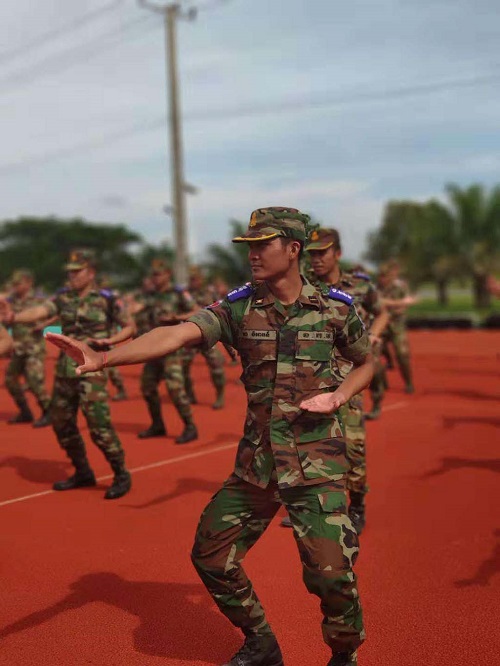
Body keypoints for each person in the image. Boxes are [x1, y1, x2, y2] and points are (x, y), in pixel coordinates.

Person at [46, 207, 374, 666]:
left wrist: (339, 396)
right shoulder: (238, 307)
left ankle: (343, 655)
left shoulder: (336, 308)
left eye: (263, 245)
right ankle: (261, 642)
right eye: (249, 246)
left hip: (315, 463)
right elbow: (176, 334)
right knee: (212, 555)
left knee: (331, 575)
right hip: (259, 463)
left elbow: (366, 363)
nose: (252, 254)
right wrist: (104, 359)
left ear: (293, 249)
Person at [0, 249, 135, 500]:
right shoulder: (63, 297)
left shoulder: (107, 298)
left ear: (90, 273)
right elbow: (40, 311)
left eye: (77, 272)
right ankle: (82, 471)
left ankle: (120, 473)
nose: (72, 276)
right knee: (61, 422)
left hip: (92, 367)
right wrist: (14, 317)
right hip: (66, 369)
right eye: (70, 272)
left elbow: (129, 326)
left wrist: (110, 340)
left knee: (98, 425)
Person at [282, 227, 388, 535]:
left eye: (322, 253)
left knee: (352, 443)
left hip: (349, 375)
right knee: (307, 440)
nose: (316, 259)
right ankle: (311, 503)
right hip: (313, 375)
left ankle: (356, 504)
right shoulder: (302, 286)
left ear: (337, 253)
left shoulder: (360, 285)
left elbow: (382, 313)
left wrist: (375, 334)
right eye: (312, 253)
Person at [128, 258, 198, 444]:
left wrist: (177, 317)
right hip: (153, 349)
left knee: (175, 389)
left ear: (168, 274)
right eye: (153, 275)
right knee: (147, 387)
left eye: (159, 274)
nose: (155, 278)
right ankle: (157, 424)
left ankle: (190, 426)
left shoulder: (179, 293)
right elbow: (134, 310)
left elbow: (197, 311)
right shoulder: (148, 295)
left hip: (172, 348)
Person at [4, 269, 52, 427]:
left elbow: (56, 314)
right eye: (15, 284)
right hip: (18, 348)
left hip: (34, 348)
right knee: (10, 379)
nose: (16, 286)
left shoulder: (38, 299)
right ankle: (25, 411)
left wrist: (44, 324)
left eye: (19, 283)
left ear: (29, 283)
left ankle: (48, 412)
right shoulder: (12, 300)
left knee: (34, 381)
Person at [182, 266, 226, 409]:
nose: (194, 281)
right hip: (189, 334)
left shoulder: (210, 292)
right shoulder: (184, 294)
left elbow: (220, 308)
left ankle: (220, 395)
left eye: (197, 278)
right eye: (192, 279)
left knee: (216, 366)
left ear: (201, 279)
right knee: (183, 367)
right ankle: (189, 394)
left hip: (207, 333)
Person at [378, 260, 416, 394]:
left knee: (402, 353)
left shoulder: (400, 287)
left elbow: (406, 303)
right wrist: (398, 303)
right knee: (374, 354)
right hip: (380, 326)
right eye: (381, 275)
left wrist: (396, 306)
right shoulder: (375, 288)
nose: (383, 279)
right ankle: (382, 382)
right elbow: (379, 302)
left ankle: (409, 383)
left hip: (396, 325)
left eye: (385, 275)